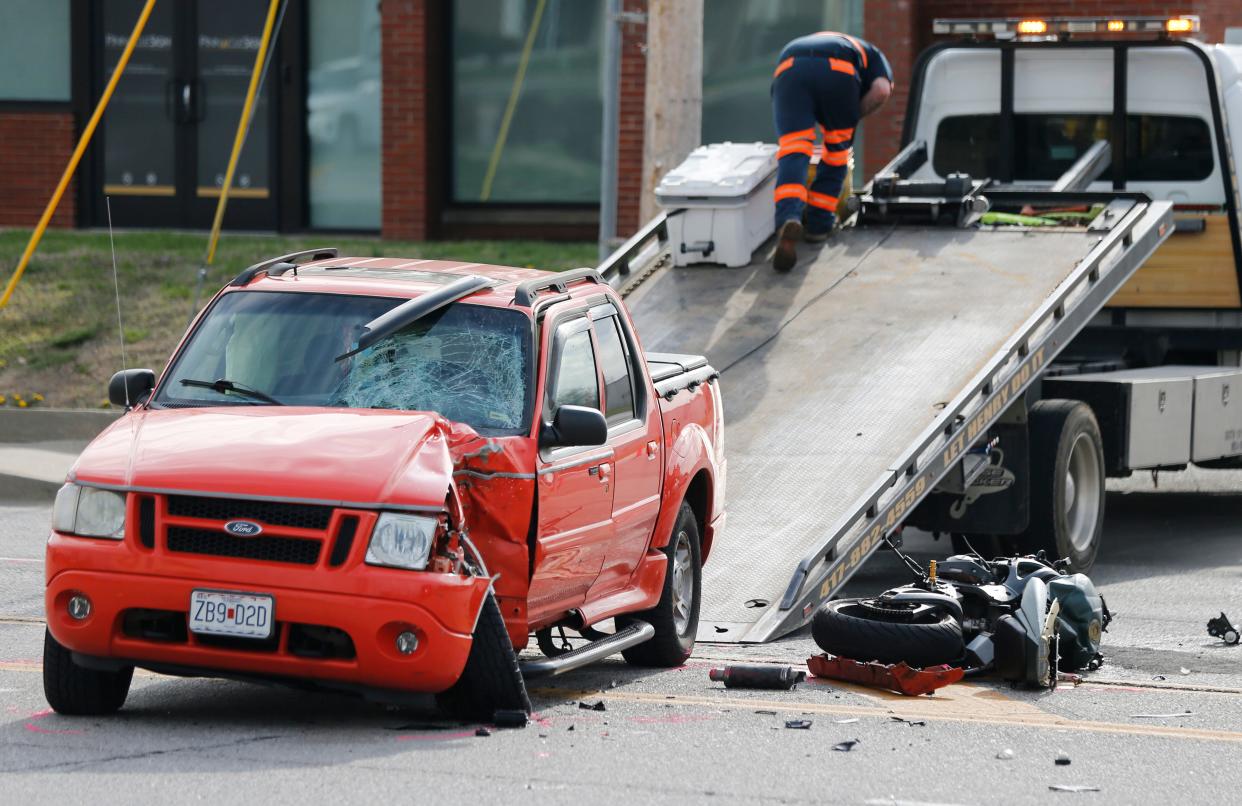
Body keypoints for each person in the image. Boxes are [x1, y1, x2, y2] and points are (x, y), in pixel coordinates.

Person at [770, 31, 893, 272]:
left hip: (789, 67)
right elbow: (881, 91)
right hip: (839, 71)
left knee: (794, 149)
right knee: (836, 153)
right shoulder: (876, 56)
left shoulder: (826, 39)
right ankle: (818, 226)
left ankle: (788, 218)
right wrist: (849, 117)